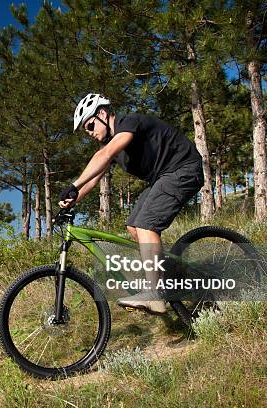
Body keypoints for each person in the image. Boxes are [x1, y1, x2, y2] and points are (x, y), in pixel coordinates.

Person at [58, 93, 203, 314]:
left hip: (182, 169)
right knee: (134, 226)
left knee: (146, 225)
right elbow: (94, 178)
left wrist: (74, 184)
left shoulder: (128, 123)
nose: (89, 133)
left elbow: (105, 155)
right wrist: (70, 199)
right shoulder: (114, 146)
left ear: (103, 114)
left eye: (89, 126)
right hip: (162, 178)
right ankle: (167, 280)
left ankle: (155, 294)